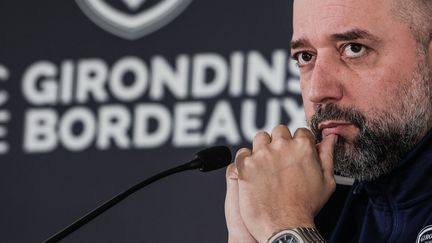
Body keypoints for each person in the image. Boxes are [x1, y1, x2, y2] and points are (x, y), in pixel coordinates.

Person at [225, 0, 432, 242]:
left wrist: (286, 227)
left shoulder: (295, 215)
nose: (318, 91)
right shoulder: (320, 209)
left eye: (354, 48)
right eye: (305, 56)